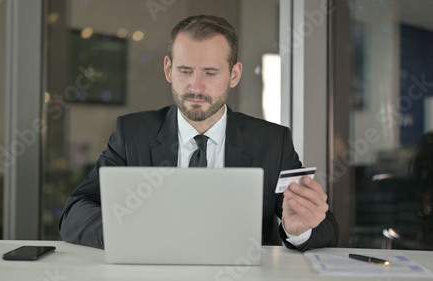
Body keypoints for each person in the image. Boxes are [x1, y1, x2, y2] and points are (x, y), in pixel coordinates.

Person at [59, 15, 339, 252]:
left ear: (234, 74)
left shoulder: (271, 142)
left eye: (211, 72)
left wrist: (298, 230)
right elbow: (75, 212)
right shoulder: (132, 133)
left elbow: (326, 228)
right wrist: (128, 234)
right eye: (185, 71)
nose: (196, 87)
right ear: (169, 69)